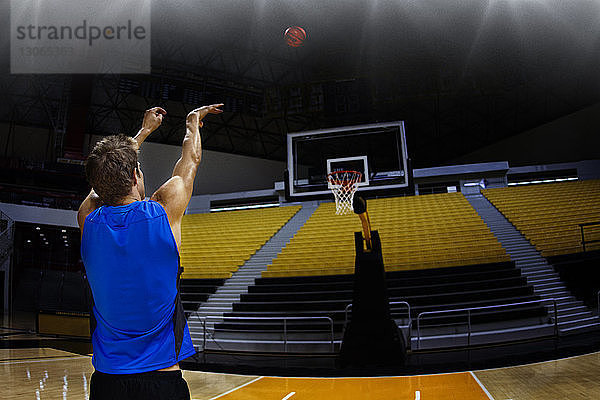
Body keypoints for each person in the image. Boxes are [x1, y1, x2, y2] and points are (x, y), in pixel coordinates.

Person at [78, 104, 224, 399]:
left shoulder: (87, 219)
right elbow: (191, 160)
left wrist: (142, 133)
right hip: (162, 380)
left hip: (107, 382)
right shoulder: (163, 211)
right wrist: (192, 123)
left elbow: (100, 181)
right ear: (135, 176)